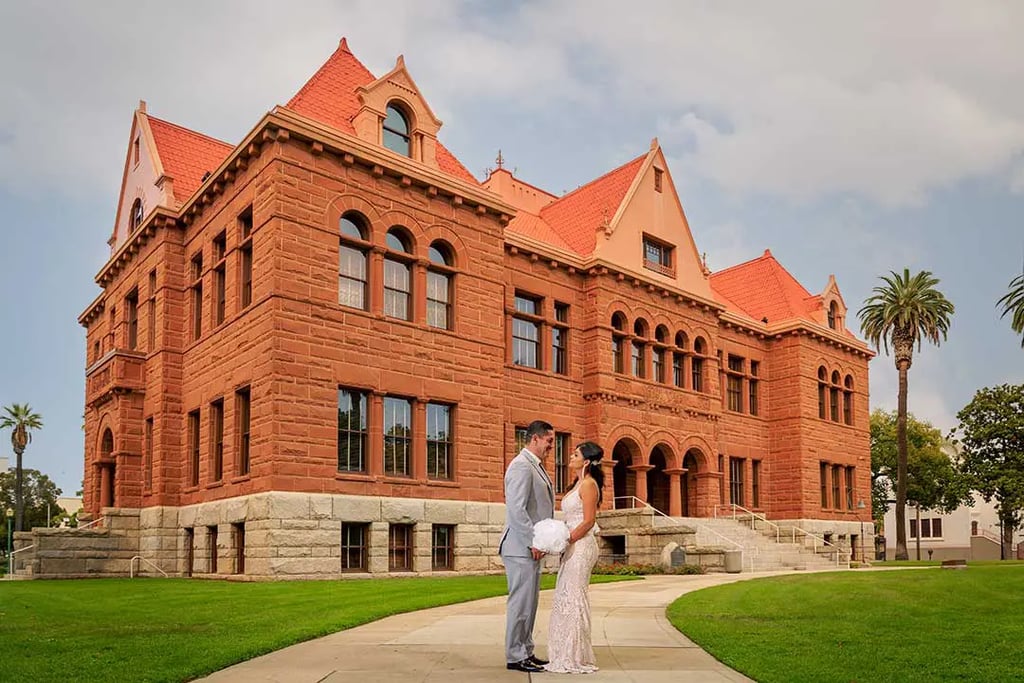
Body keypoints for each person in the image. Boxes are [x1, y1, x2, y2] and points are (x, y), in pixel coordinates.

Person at [499, 420, 556, 673]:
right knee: (520, 603)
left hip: (530, 548)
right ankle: (515, 656)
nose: (551, 446)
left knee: (530, 604)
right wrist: (533, 540)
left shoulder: (536, 466)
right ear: (535, 439)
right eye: (549, 441)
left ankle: (526, 650)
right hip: (520, 546)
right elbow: (516, 509)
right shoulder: (521, 466)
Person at [544, 441, 604, 674]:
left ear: (586, 461)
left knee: (574, 597)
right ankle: (562, 651)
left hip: (581, 546)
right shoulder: (578, 483)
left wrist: (566, 540)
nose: (571, 455)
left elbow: (588, 521)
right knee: (565, 596)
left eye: (576, 454)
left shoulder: (589, 484)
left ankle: (574, 655)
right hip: (573, 544)